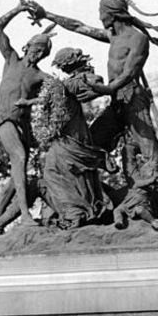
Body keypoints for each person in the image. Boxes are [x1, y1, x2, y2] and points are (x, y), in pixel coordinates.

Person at [23, 0, 158, 229]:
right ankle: (94, 206)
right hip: (116, 102)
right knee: (88, 148)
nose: (100, 19)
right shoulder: (112, 35)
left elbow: (129, 73)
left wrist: (106, 89)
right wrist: (47, 14)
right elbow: (78, 26)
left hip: (133, 104)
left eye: (102, 14)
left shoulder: (138, 39)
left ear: (113, 14)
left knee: (155, 159)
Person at [0, 6, 55, 235]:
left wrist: (32, 103)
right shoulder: (11, 60)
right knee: (18, 157)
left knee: (16, 176)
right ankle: (26, 216)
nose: (37, 54)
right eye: (35, 48)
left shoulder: (39, 75)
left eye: (42, 52)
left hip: (23, 127)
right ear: (27, 46)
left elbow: (57, 93)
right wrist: (19, 9)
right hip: (4, 121)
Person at [37, 47, 108, 228]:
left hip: (70, 139)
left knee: (53, 171)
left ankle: (76, 212)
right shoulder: (69, 82)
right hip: (68, 137)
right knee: (72, 174)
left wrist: (97, 90)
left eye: (62, 66)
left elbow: (95, 83)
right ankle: (81, 211)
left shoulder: (77, 81)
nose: (61, 69)